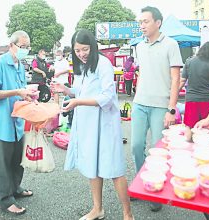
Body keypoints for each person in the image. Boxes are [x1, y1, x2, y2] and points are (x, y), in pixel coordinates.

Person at [51, 29, 134, 220]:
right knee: (92, 166)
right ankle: (97, 209)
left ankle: (128, 214)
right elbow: (79, 92)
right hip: (88, 125)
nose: (81, 54)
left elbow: (107, 96)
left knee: (115, 168)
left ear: (93, 46)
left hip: (105, 124)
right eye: (77, 50)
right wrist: (66, 89)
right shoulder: (81, 66)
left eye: (85, 49)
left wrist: (78, 102)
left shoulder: (103, 64)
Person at [131, 6, 183, 211]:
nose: (142, 25)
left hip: (161, 106)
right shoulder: (139, 46)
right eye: (140, 22)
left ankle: (155, 189)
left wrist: (171, 109)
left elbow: (175, 78)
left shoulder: (171, 44)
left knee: (157, 151)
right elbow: (142, 72)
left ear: (158, 23)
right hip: (140, 103)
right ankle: (141, 183)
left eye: (145, 21)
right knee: (135, 146)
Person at [0, 30, 37, 215]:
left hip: (17, 118)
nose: (25, 50)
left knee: (17, 159)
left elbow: (21, 89)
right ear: (11, 45)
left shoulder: (19, 64)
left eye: (28, 47)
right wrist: (17, 92)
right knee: (4, 162)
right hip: (3, 120)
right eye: (22, 47)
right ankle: (5, 199)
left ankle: (15, 188)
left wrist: (29, 96)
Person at [179, 41, 209, 129]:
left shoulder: (189, 61)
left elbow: (182, 80)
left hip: (191, 98)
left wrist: (173, 94)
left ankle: (189, 141)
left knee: (189, 127)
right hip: (208, 100)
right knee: (207, 127)